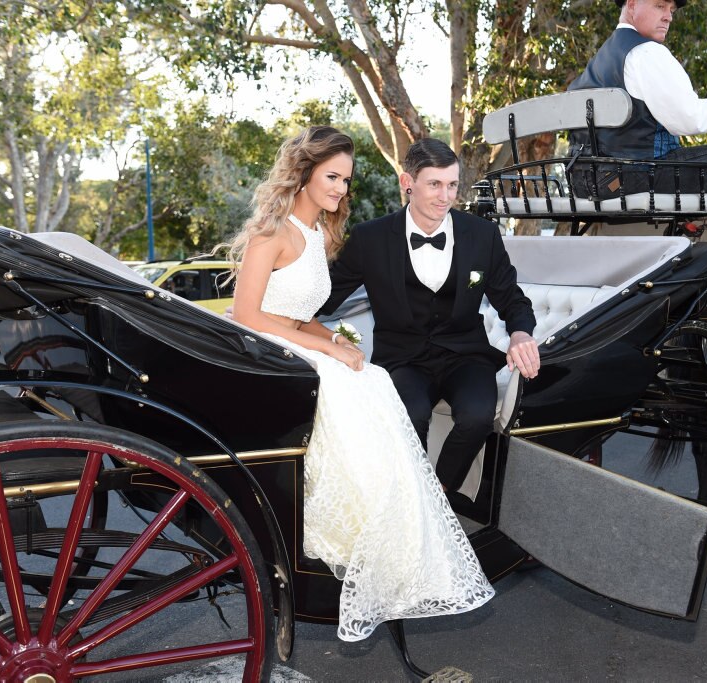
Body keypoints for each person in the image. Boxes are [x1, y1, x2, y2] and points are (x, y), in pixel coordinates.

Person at [228, 126, 494, 642]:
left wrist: (334, 338)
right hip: (272, 358)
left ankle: (400, 548)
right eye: (332, 177)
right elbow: (245, 314)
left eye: (346, 180)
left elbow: (300, 314)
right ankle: (377, 542)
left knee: (370, 377)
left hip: (303, 346)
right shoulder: (272, 231)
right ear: (303, 172)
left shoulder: (318, 236)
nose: (341, 189)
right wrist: (325, 347)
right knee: (372, 395)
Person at [319, 138, 540, 499]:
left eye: (452, 184)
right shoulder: (370, 238)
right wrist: (276, 309)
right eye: (434, 184)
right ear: (408, 183)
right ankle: (411, 499)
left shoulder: (481, 235)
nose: (445, 196)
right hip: (403, 357)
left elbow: (511, 298)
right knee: (411, 413)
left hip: (465, 355)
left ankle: (438, 491)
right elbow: (327, 297)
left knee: (478, 414)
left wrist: (520, 333)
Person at [568, 0, 707, 198]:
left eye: (671, 10)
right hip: (632, 177)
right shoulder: (646, 52)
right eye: (660, 6)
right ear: (632, 5)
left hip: (584, 182)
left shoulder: (601, 60)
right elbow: (690, 119)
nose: (668, 16)